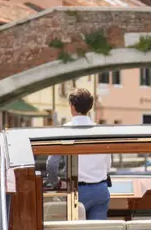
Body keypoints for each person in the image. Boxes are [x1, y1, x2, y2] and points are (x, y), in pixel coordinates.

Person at [45, 88, 112, 220]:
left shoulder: (65, 131)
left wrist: (56, 183)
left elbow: (52, 164)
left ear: (72, 106)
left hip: (77, 191)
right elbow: (108, 165)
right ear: (90, 107)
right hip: (100, 189)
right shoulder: (101, 132)